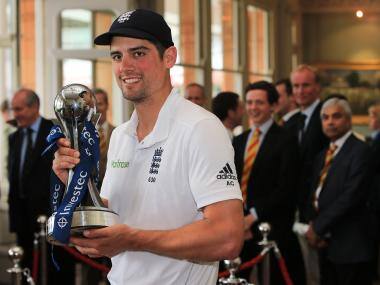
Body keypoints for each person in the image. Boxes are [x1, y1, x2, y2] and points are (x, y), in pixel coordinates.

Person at [52, 9, 244, 285]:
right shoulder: (120, 135)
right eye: (117, 56)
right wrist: (72, 182)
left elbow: (227, 238)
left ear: (169, 57)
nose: (125, 66)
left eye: (138, 53)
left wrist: (132, 239)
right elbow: (115, 214)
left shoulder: (200, 128)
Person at [233, 81, 305, 284]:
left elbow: (286, 187)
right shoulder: (239, 140)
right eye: (249, 102)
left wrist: (252, 217)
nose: (253, 108)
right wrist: (240, 217)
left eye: (259, 103)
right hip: (239, 226)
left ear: (273, 106)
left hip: (272, 227)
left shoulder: (287, 139)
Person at [304, 97, 374, 285]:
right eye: (325, 118)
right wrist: (314, 224)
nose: (330, 122)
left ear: (348, 120)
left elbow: (351, 196)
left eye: (336, 116)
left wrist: (318, 227)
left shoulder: (361, 151)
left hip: (351, 246)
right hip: (326, 243)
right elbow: (315, 192)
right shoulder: (323, 154)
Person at [8, 89, 74, 284]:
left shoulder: (56, 133)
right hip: (23, 221)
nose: (15, 114)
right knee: (27, 271)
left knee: (54, 273)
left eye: (19, 109)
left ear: (34, 107)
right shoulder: (15, 137)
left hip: (50, 218)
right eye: (14, 109)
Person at [291, 64, 329, 285]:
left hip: (320, 212)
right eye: (296, 86)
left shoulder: (326, 116)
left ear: (317, 87)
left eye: (306, 85)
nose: (300, 91)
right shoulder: (293, 121)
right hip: (299, 210)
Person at [93, 88, 115, 188]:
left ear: (107, 106)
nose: (96, 108)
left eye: (100, 104)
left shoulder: (118, 133)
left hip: (113, 190)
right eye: (93, 105)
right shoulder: (82, 136)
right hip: (90, 193)